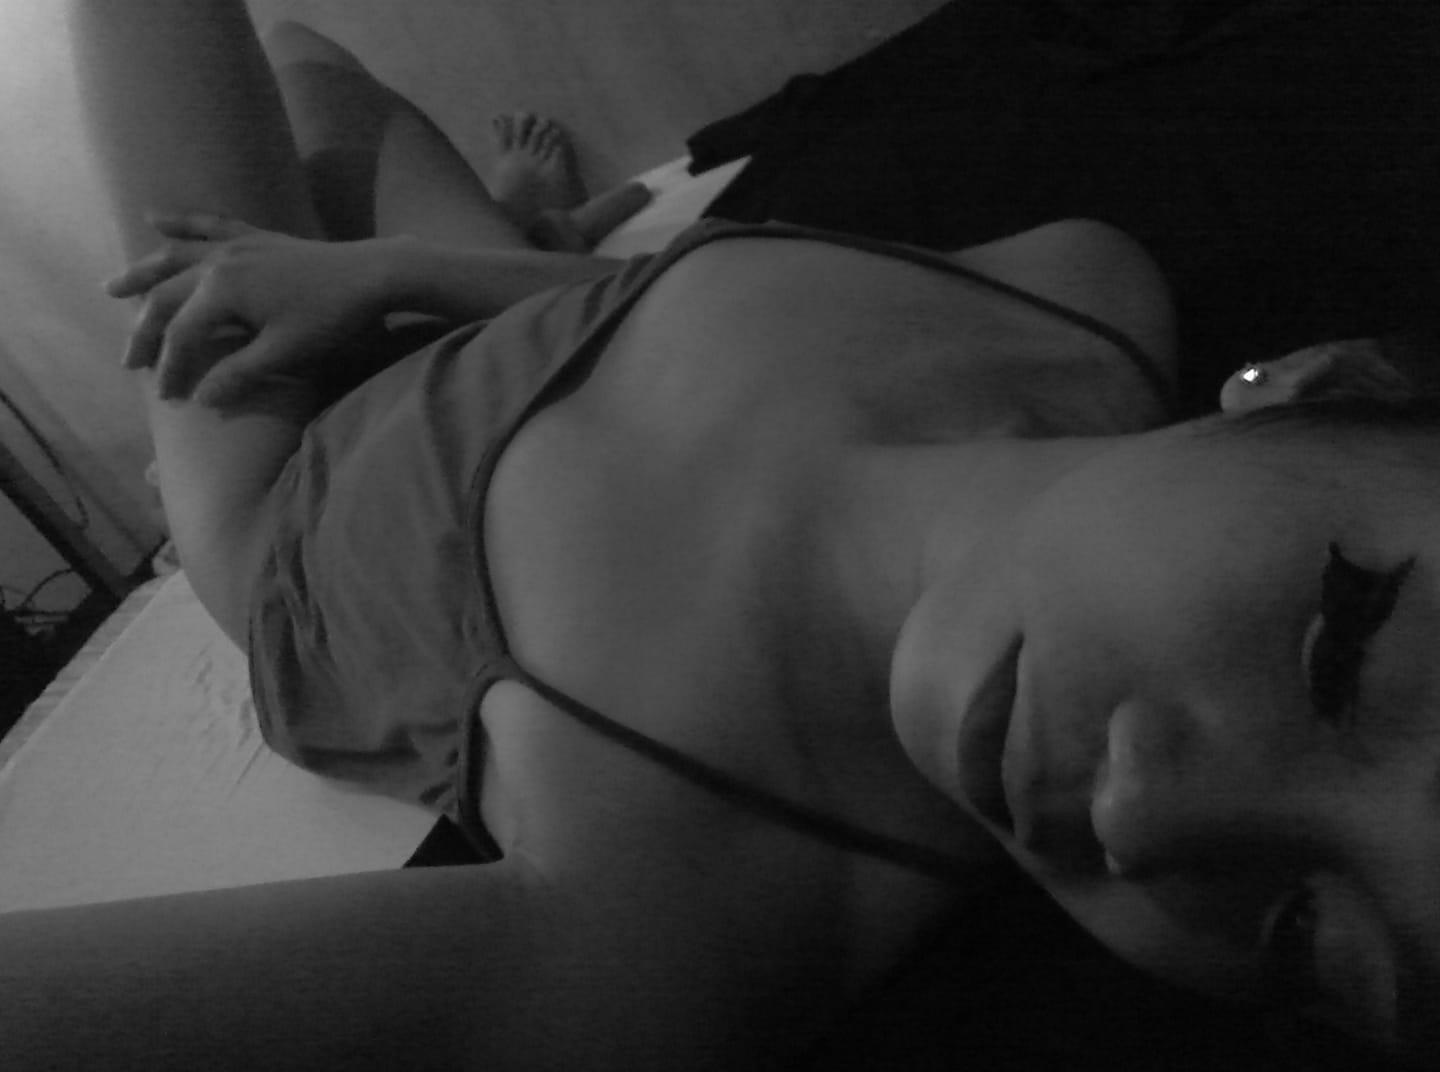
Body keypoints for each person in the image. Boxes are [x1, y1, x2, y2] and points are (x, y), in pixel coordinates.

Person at [5, 1, 1429, 1068]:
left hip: (293, 466)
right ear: (1321, 388)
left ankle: (513, 235)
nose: (1138, 823)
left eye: (1303, 936)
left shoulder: (679, 920)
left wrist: (361, 288)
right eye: (1337, 653)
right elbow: (703, 300)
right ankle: (523, 237)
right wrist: (391, 273)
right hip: (529, 313)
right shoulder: (1084, 291)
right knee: (319, 67)